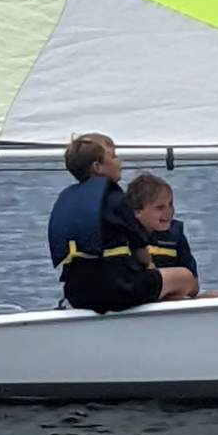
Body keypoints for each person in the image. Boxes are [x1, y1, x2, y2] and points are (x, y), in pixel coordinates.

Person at [47, 132, 166, 315]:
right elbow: (139, 248)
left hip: (77, 293)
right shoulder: (115, 199)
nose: (119, 161)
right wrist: (151, 268)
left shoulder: (68, 200)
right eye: (114, 156)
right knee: (184, 278)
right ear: (98, 167)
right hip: (117, 289)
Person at [126, 173, 200, 298]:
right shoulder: (125, 236)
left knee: (217, 296)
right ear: (137, 212)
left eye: (170, 204)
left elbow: (194, 285)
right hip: (140, 296)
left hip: (172, 296)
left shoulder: (176, 236)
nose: (168, 212)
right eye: (160, 207)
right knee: (184, 276)